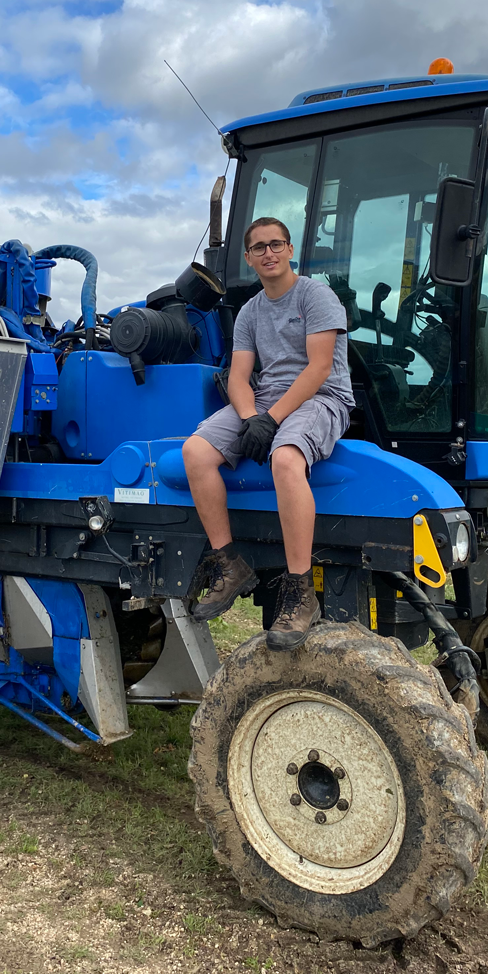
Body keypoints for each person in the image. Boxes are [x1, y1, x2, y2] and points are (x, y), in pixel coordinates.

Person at [182, 217, 354, 650]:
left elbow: (318, 368)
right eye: (259, 248)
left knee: (285, 459)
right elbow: (240, 376)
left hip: (322, 396)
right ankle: (229, 563)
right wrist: (249, 416)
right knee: (196, 451)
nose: (268, 253)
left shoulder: (316, 296)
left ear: (290, 249)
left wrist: (271, 420)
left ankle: (299, 591)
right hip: (264, 399)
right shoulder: (251, 311)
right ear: (248, 258)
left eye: (275, 244)